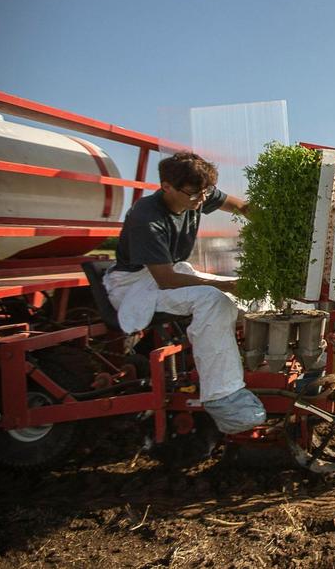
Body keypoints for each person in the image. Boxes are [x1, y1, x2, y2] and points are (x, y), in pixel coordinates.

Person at [104, 151, 266, 434]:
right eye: (194, 195)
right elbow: (165, 280)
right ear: (166, 186)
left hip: (172, 270)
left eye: (205, 193)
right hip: (137, 283)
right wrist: (225, 285)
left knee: (252, 291)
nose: (202, 201)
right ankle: (223, 396)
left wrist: (272, 224)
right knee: (214, 300)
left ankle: (261, 363)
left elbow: (240, 206)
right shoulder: (146, 217)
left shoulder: (196, 191)